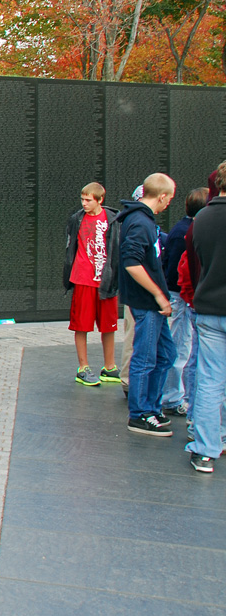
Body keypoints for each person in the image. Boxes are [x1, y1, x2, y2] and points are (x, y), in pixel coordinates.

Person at [117, 174, 178, 435]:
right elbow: (132, 262)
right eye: (170, 198)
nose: (169, 204)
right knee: (145, 357)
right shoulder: (141, 222)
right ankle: (140, 414)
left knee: (165, 355)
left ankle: (151, 408)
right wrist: (159, 295)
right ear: (162, 196)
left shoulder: (141, 220)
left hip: (150, 303)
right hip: (147, 303)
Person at [188, 162, 226, 473]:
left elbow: (198, 259)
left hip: (210, 309)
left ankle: (205, 450)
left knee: (210, 382)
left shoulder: (202, 218)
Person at [63, 182, 119, 385]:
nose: (84, 204)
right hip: (83, 278)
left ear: (100, 200)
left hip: (106, 280)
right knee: (81, 324)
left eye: (88, 200)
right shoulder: (77, 219)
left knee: (109, 325)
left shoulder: (113, 219)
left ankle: (109, 366)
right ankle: (83, 367)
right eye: (82, 199)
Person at [161, 187, 210, 415]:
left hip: (179, 295)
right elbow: (177, 270)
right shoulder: (188, 233)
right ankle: (172, 397)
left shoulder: (182, 229)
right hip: (180, 296)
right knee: (181, 348)